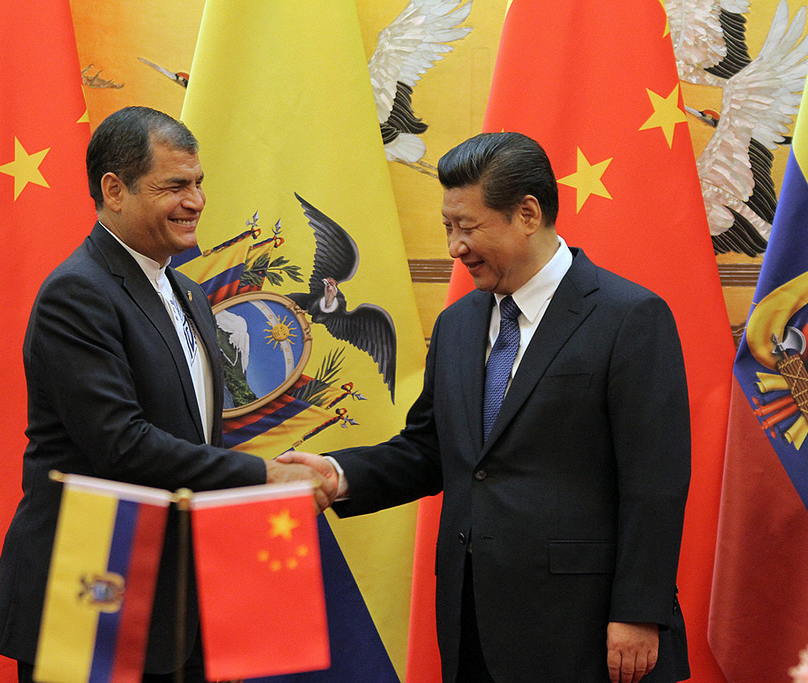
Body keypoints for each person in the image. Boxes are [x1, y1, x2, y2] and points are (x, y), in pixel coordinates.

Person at [282, 131, 691, 683]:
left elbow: (656, 481)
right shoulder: (457, 324)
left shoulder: (629, 317)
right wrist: (337, 475)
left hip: (586, 628)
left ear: (527, 213)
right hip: (471, 617)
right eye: (448, 228)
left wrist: (639, 612)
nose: (454, 247)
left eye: (467, 227)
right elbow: (431, 449)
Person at [0, 106, 333, 682]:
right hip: (94, 586)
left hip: (178, 599)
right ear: (113, 190)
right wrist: (264, 477)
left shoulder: (191, 295)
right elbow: (121, 444)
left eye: (198, 184)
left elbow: (194, 438)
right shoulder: (77, 292)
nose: (195, 201)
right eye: (174, 186)